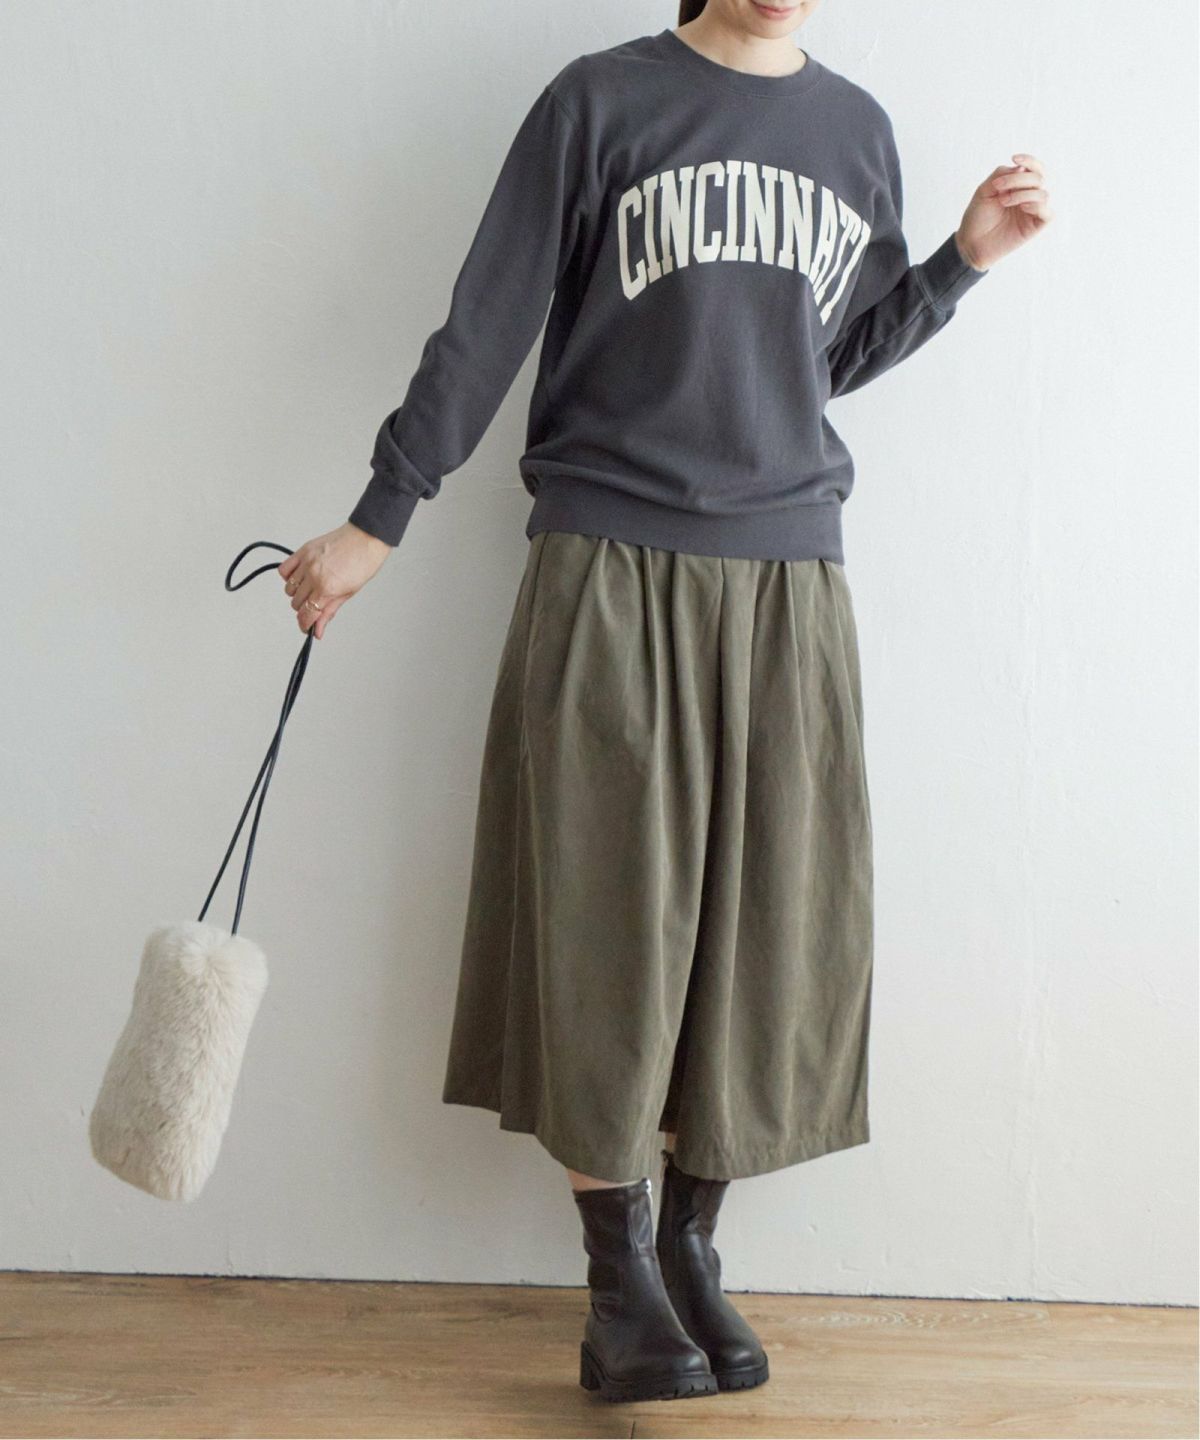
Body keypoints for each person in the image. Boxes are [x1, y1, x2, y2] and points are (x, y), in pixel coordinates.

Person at [278, 0, 1051, 1407]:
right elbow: (490, 320)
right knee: (608, 918)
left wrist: (960, 263)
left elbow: (823, 358)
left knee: (768, 928)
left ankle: (691, 1247)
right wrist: (380, 517)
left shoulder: (854, 131)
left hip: (789, 576)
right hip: (612, 557)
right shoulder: (598, 103)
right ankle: (618, 1278)